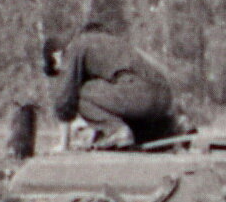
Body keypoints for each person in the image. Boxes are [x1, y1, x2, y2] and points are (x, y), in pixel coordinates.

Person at [48, 20, 187, 149]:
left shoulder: (77, 45)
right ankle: (171, 128)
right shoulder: (114, 42)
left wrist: (64, 144)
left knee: (81, 92)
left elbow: (65, 98)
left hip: (138, 96)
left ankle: (116, 132)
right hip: (164, 100)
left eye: (59, 70)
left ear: (56, 55)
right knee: (136, 134)